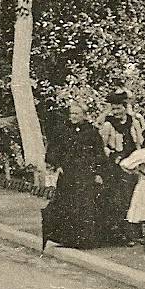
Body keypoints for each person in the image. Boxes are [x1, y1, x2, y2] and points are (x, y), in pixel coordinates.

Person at [41, 101, 109, 250]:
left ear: (84, 115)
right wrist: (57, 165)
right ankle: (68, 238)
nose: (73, 116)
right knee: (67, 204)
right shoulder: (63, 130)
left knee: (85, 205)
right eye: (71, 113)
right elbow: (53, 150)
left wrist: (98, 172)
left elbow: (98, 153)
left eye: (77, 114)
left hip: (86, 174)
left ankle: (85, 239)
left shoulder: (91, 132)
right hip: (68, 174)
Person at [99, 90, 143, 245]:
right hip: (115, 167)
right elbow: (102, 147)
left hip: (132, 165)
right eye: (114, 109)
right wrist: (115, 159)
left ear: (125, 107)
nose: (116, 112)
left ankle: (136, 233)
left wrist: (138, 161)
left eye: (119, 108)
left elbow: (139, 144)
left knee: (134, 198)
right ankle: (122, 234)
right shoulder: (108, 125)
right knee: (118, 200)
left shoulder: (134, 122)